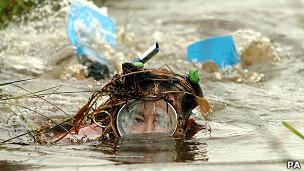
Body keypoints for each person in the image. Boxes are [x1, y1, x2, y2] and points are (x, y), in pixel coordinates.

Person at [52, 62, 210, 142]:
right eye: (137, 120)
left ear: (187, 126)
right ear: (119, 120)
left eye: (162, 120)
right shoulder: (107, 129)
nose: (148, 133)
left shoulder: (197, 133)